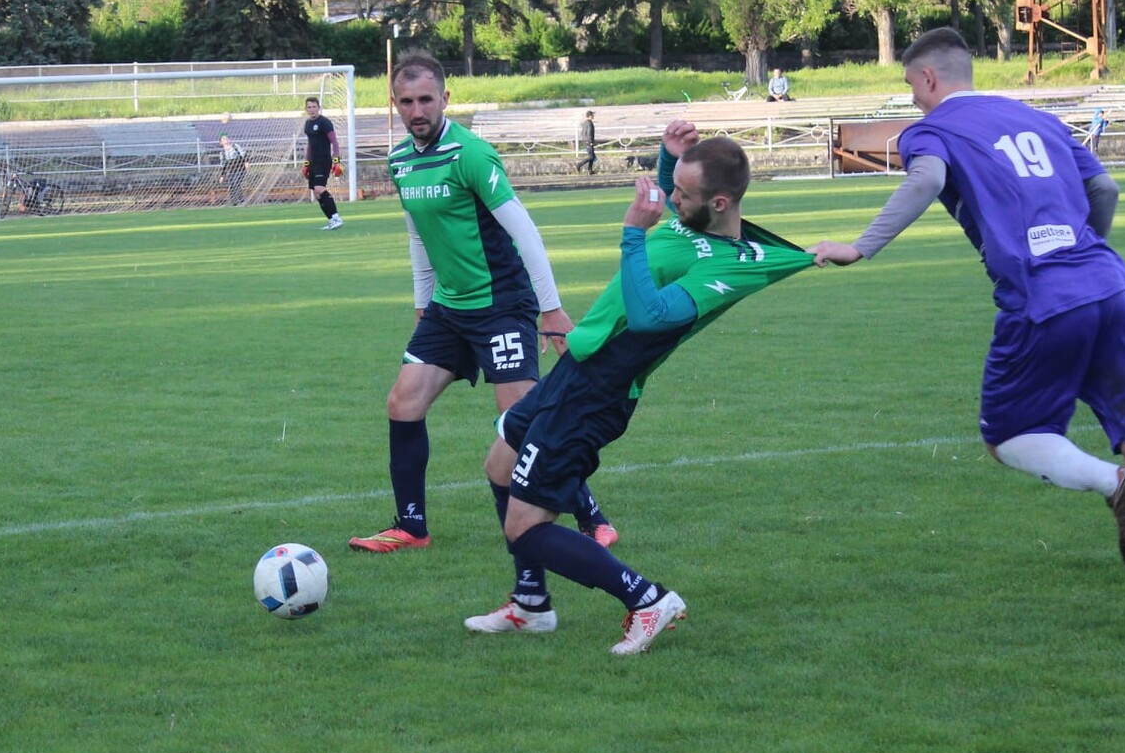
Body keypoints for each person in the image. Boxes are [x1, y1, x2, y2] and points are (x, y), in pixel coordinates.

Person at [810, 27, 1125, 618]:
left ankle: (1113, 485)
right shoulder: (1039, 119)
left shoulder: (932, 129)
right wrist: (1084, 253)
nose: (913, 100)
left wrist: (860, 246)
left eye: (911, 87)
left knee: (1007, 437)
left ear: (928, 78)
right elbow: (1105, 185)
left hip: (1041, 299)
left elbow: (924, 179)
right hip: (1106, 284)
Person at [467, 124, 815, 654]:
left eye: (683, 194)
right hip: (576, 371)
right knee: (499, 464)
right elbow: (678, 212)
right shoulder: (694, 221)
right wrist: (668, 157)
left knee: (526, 528)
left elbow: (651, 317)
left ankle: (648, 600)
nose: (671, 201)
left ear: (718, 202)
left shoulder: (720, 263)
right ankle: (531, 605)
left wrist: (632, 231)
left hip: (597, 393)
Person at [349, 49, 616, 553]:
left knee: (520, 422)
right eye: (406, 101)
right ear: (394, 105)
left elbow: (526, 233)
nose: (417, 110)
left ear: (445, 98)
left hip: (502, 305)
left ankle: (590, 515)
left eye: (426, 99)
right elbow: (418, 236)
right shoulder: (400, 161)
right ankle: (410, 527)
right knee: (402, 402)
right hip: (449, 310)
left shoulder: (470, 154)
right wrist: (422, 303)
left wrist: (551, 308)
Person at [300, 96, 344, 229]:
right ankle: (331, 220)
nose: (312, 109)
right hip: (313, 162)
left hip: (323, 160)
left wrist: (336, 161)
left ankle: (337, 218)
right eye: (309, 107)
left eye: (314, 107)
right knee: (317, 193)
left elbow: (334, 142)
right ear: (306, 109)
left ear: (319, 107)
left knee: (320, 188)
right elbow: (310, 145)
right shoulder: (307, 124)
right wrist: (306, 163)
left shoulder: (325, 122)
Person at [218, 133, 249, 205]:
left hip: (240, 168)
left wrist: (246, 162)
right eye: (223, 139)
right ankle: (234, 202)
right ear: (221, 142)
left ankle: (242, 201)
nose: (225, 139)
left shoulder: (235, 146)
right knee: (232, 185)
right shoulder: (222, 153)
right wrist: (222, 176)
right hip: (231, 171)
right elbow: (223, 165)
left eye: (226, 138)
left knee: (237, 183)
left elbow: (243, 154)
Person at [575, 109, 598, 173]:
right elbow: (589, 133)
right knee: (591, 157)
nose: (593, 116)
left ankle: (590, 170)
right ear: (589, 115)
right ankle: (579, 165)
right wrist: (590, 142)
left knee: (592, 156)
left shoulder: (585, 123)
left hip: (585, 141)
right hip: (588, 142)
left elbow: (582, 133)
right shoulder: (589, 123)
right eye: (592, 115)